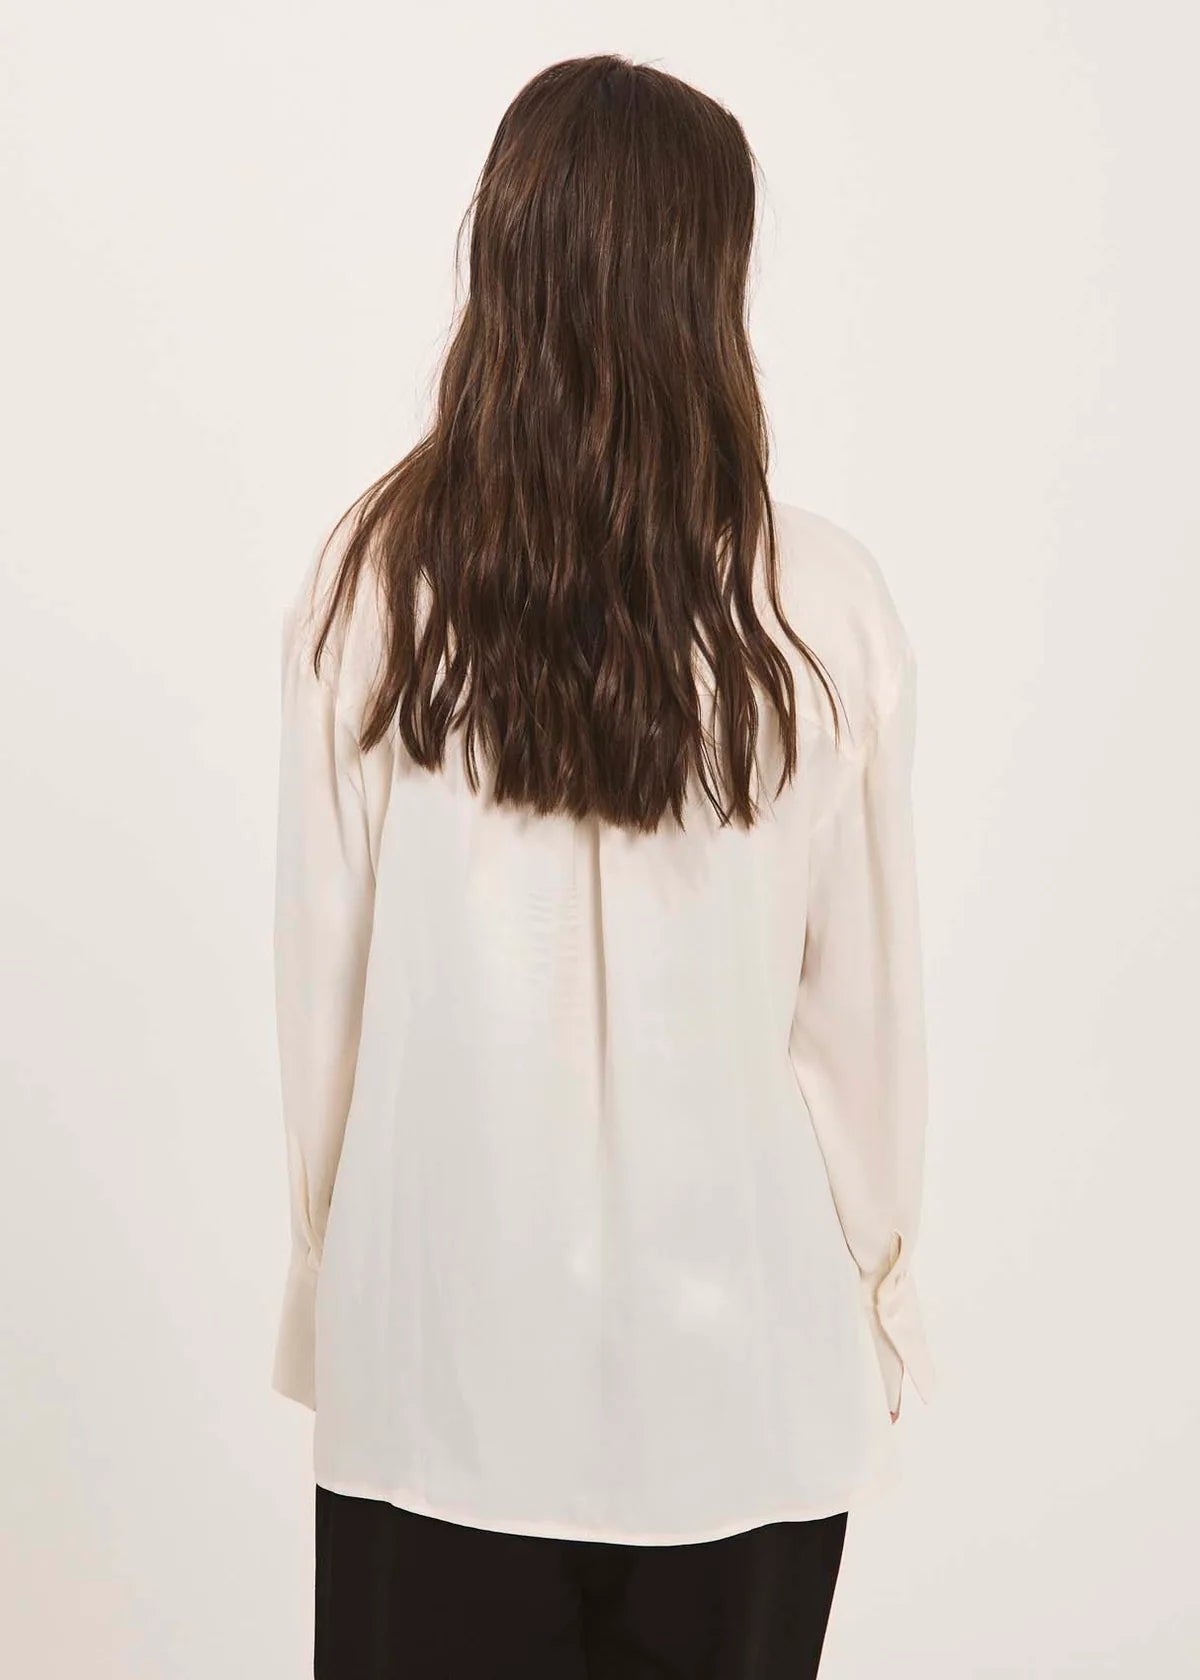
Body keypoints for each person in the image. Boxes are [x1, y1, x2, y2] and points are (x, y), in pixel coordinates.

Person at [270, 52, 935, 1680]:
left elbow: (323, 1009)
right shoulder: (820, 608)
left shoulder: (378, 587)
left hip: (437, 1375)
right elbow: (862, 1040)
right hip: (742, 1388)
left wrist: (340, 1289)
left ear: (504, 259)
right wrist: (882, 1298)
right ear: (710, 284)